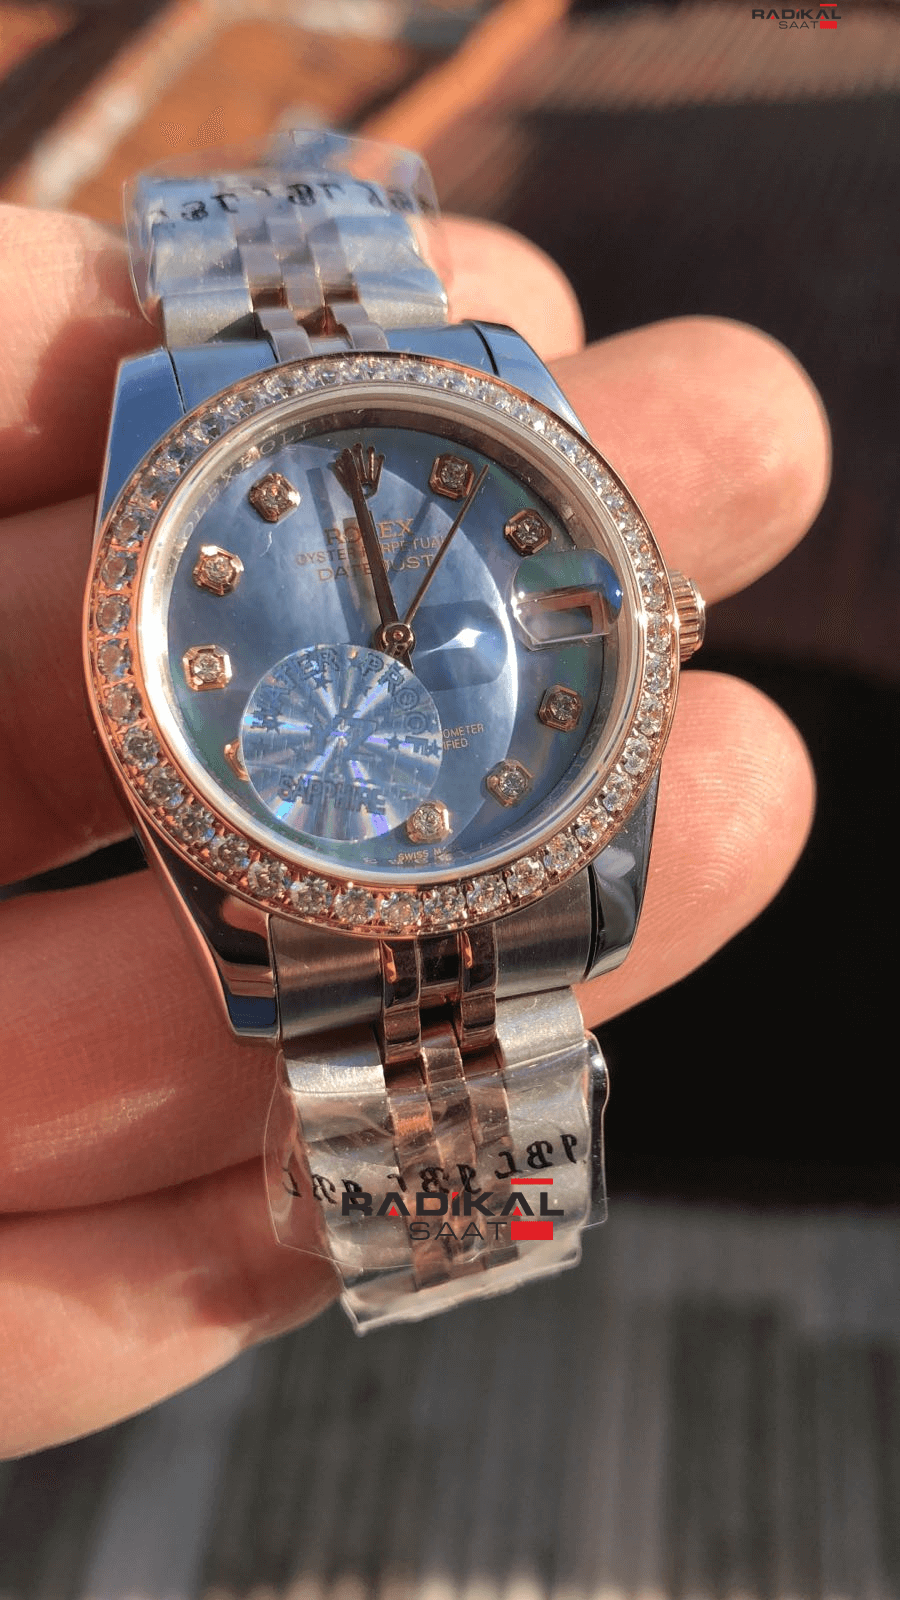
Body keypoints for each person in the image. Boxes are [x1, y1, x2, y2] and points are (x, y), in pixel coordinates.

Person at [0, 203, 827, 1459]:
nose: (391, 640)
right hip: (316, 870)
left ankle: (484, 1235)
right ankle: (472, 1238)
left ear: (667, 618)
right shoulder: (187, 403)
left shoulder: (485, 385)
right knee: (417, 1211)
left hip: (506, 837)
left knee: (459, 1213)